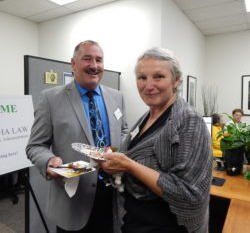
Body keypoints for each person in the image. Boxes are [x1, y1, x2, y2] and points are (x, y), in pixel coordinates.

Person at [100, 47, 212, 233]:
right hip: (135, 220)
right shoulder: (146, 117)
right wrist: (113, 159)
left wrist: (128, 165)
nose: (148, 85)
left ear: (176, 81)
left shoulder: (188, 120)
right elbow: (135, 156)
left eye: (158, 76)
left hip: (167, 225)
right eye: (142, 78)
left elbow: (190, 195)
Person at [26, 40, 128, 232]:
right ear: (73, 64)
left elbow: (123, 131)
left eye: (99, 60)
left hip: (112, 194)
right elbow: (35, 146)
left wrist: (117, 151)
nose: (94, 65)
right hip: (72, 199)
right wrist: (48, 162)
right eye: (87, 59)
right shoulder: (51, 99)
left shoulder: (117, 97)